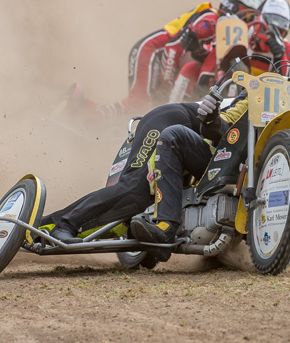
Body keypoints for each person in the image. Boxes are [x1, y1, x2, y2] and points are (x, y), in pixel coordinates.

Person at [129, 24, 290, 249]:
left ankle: (280, 216)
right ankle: (164, 223)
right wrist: (211, 118)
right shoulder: (271, 85)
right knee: (173, 135)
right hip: (234, 167)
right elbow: (226, 127)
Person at [93, 0, 262, 118]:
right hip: (153, 49)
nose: (247, 22)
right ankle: (95, 117)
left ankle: (102, 119)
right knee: (141, 103)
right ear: (230, 7)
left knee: (147, 105)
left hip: (164, 55)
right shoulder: (211, 19)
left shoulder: (226, 37)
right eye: (246, 17)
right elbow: (173, 47)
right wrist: (165, 86)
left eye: (252, 19)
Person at [44, 102, 203, 242]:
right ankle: (64, 224)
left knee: (169, 196)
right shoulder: (227, 107)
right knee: (134, 188)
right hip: (168, 121)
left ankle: (147, 240)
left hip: (187, 139)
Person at [247, 0, 290, 76]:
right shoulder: (241, 34)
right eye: (265, 27)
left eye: (278, 30)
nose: (270, 33)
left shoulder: (288, 50)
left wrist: (280, 56)